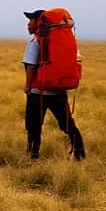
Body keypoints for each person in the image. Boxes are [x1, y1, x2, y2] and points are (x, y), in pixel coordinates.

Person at [22, 9, 85, 160]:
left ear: (38, 22)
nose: (28, 24)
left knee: (33, 125)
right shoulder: (65, 40)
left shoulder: (36, 40)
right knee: (68, 124)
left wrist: (28, 86)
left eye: (30, 20)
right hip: (58, 91)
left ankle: (33, 156)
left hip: (38, 92)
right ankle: (80, 154)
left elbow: (30, 66)